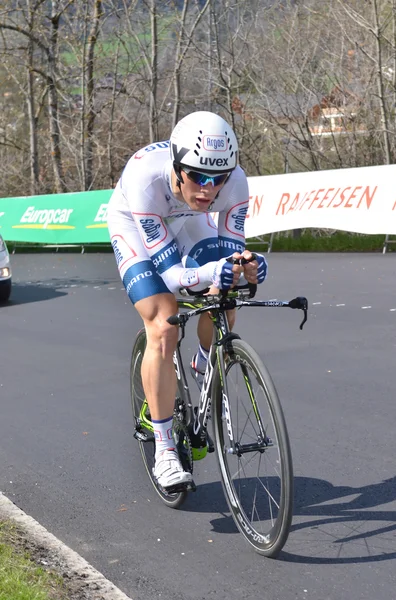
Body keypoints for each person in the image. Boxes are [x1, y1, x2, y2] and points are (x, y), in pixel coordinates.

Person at [107, 111, 267, 491]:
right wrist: (209, 273)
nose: (209, 189)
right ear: (178, 167)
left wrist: (246, 266)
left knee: (226, 285)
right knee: (163, 323)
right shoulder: (145, 178)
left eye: (219, 178)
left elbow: (230, 254)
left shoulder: (236, 184)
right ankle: (164, 450)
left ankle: (203, 360)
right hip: (136, 224)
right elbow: (174, 277)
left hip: (185, 220)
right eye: (198, 176)